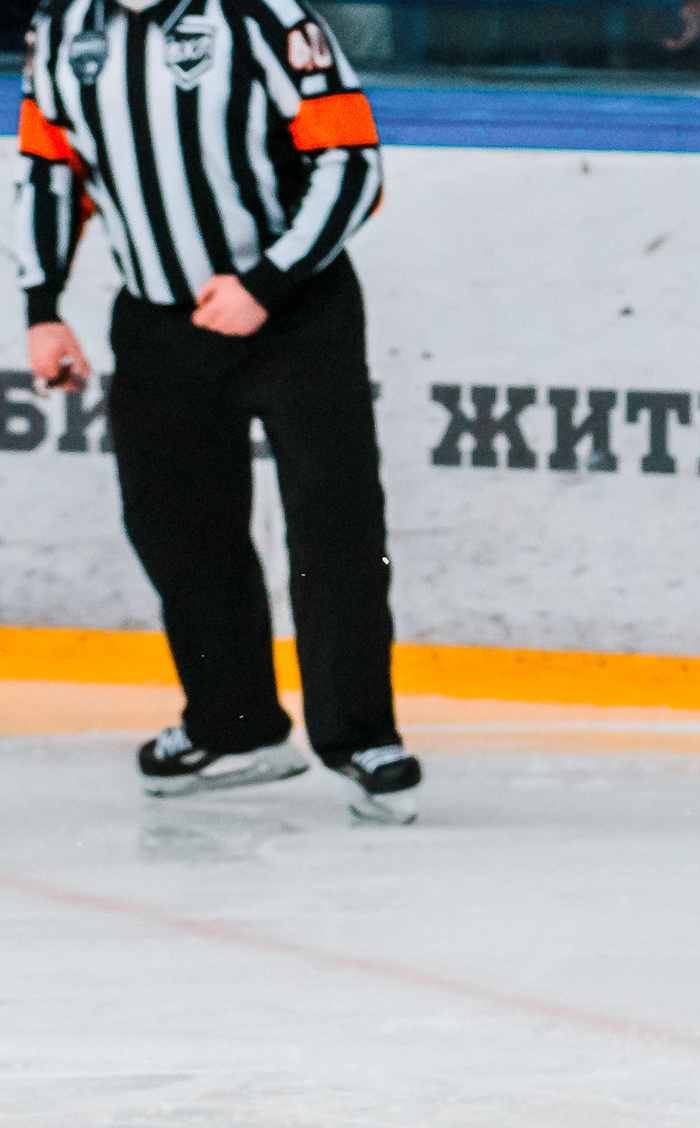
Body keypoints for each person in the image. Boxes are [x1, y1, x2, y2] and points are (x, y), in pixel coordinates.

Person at [14, 0, 421, 822]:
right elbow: (50, 168)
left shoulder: (265, 15)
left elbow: (350, 162)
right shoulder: (62, 29)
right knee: (177, 526)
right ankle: (234, 726)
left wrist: (266, 282)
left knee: (334, 525)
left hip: (298, 315)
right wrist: (42, 305)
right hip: (159, 325)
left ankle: (360, 735)